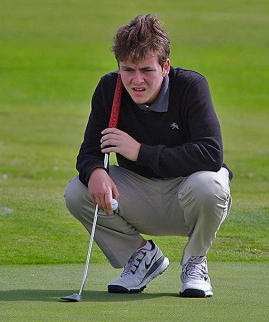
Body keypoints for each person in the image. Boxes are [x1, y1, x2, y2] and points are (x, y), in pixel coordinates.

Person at [64, 14, 232, 298]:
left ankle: (195, 262)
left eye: (146, 70)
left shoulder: (190, 87)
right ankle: (142, 257)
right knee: (77, 191)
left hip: (187, 195)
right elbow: (89, 151)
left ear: (165, 67)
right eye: (127, 69)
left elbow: (211, 153)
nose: (136, 80)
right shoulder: (110, 88)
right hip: (138, 193)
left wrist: (139, 151)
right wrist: (95, 172)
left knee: (210, 185)